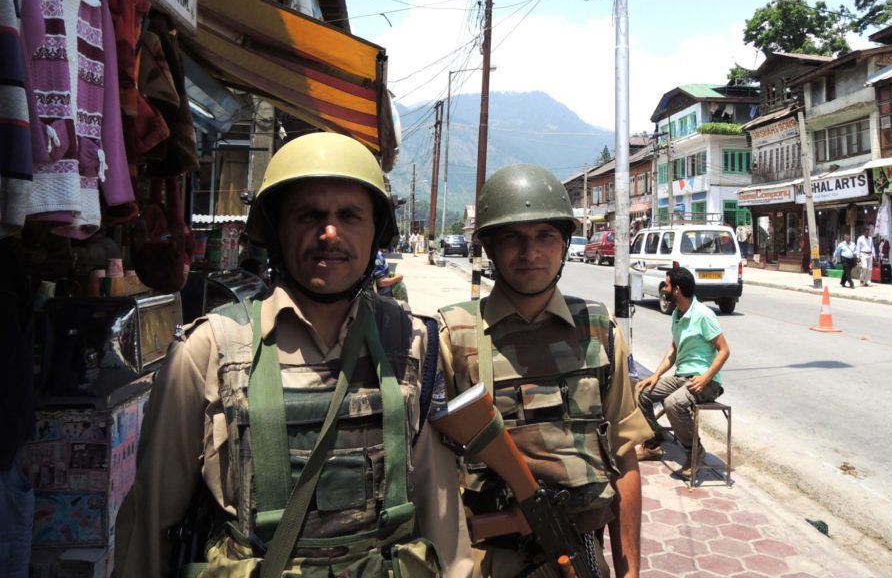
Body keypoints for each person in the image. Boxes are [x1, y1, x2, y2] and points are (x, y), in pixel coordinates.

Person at [113, 133, 471, 578]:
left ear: (375, 232)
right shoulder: (209, 349)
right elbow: (151, 521)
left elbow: (441, 514)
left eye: (350, 215)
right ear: (277, 231)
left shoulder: (414, 342)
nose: (330, 233)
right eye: (309, 215)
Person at [437, 164, 651, 578]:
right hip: (485, 563)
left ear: (565, 243)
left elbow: (624, 459)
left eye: (545, 236)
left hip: (581, 555)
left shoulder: (599, 330)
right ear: (490, 247)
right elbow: (431, 475)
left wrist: (630, 571)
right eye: (512, 238)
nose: (531, 252)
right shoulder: (454, 336)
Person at [635, 268, 730, 479]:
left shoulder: (704, 315)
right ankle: (653, 441)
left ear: (677, 290)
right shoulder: (677, 313)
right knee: (640, 391)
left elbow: (724, 350)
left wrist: (706, 378)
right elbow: (673, 350)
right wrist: (656, 375)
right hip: (681, 378)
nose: (664, 289)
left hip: (706, 382)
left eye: (667, 285)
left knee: (673, 403)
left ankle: (695, 451)